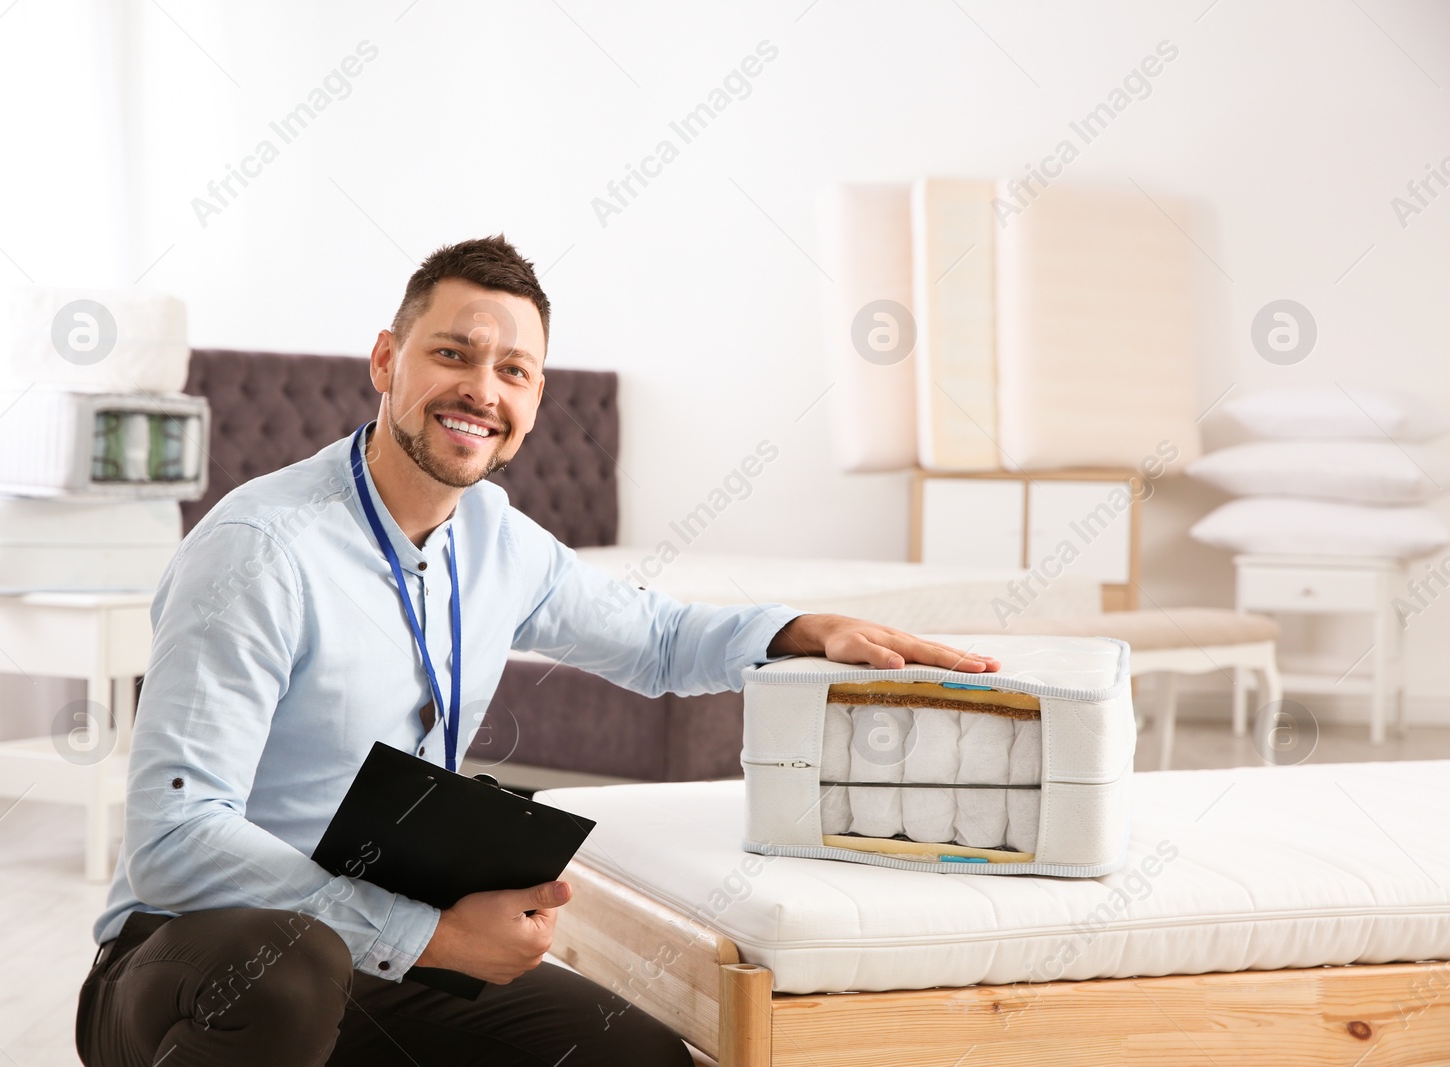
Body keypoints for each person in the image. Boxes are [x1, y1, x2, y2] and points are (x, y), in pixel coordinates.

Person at [75, 235, 999, 1066]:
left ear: (535, 398)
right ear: (386, 360)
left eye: (513, 369)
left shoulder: (494, 538)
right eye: (452, 353)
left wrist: (799, 630)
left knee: (634, 1060)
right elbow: (177, 840)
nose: (482, 388)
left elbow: (656, 638)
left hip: (375, 954)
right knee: (293, 972)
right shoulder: (261, 550)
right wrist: (432, 936)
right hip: (188, 964)